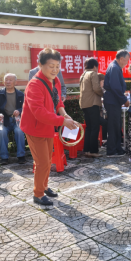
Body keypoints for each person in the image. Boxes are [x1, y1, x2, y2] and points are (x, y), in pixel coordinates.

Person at [21, 48, 79, 206]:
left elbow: (58, 102)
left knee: (47, 160)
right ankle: (38, 194)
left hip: (48, 125)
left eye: (57, 66)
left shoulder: (56, 81)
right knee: (42, 162)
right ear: (40, 65)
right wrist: (62, 121)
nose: (55, 70)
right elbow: (39, 113)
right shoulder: (34, 85)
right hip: (35, 128)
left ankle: (44, 186)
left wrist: (65, 115)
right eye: (51, 66)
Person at [0, 73, 26, 165]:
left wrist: (19, 110)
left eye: (10, 80)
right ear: (3, 82)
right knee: (1, 132)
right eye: (6, 80)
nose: (8, 82)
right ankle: (4, 158)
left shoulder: (20, 94)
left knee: (19, 131)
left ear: (15, 82)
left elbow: (25, 108)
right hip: (3, 120)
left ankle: (21, 156)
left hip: (17, 120)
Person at [104, 50, 131, 157]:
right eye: (126, 60)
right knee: (114, 126)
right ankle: (112, 150)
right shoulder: (114, 67)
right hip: (112, 100)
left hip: (113, 100)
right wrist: (124, 100)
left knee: (116, 125)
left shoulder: (115, 67)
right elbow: (115, 87)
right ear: (121, 58)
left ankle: (117, 148)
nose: (127, 63)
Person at [80, 58, 104, 158]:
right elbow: (96, 88)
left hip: (84, 104)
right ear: (94, 66)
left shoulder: (83, 75)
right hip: (93, 103)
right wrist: (104, 93)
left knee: (89, 128)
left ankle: (87, 150)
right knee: (95, 127)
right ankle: (93, 151)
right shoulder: (93, 74)